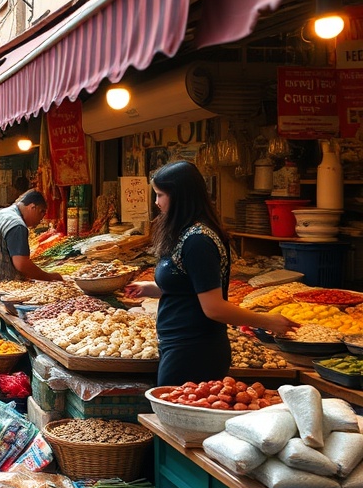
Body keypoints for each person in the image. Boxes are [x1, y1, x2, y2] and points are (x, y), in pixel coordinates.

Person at [123, 161, 299, 386]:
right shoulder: (186, 232)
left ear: (180, 197)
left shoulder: (198, 241)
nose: (156, 202)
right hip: (179, 345)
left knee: (177, 416)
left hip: (194, 350)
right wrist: (153, 288)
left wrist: (267, 321)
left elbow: (214, 307)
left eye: (160, 195)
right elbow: (191, 286)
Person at [0, 189, 64, 303]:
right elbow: (22, 264)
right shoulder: (17, 225)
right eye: (42, 212)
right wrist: (49, 277)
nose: (41, 219)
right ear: (32, 207)